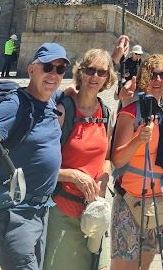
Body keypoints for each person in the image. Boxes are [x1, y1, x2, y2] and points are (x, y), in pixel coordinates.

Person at [0, 42, 69, 270]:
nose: (53, 74)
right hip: (13, 214)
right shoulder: (13, 106)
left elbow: (79, 86)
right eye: (47, 67)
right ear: (31, 70)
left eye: (60, 69)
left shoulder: (51, 100)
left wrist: (115, 59)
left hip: (40, 211)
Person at [43, 48, 116, 270]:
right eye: (90, 70)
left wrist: (103, 179)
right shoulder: (63, 111)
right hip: (63, 209)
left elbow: (107, 157)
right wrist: (72, 175)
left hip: (94, 211)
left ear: (107, 78)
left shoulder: (105, 113)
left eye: (101, 72)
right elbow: (40, 163)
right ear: (80, 73)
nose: (95, 77)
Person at [111, 52, 163, 270]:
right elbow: (117, 159)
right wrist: (138, 140)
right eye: (152, 74)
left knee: (145, 265)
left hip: (158, 203)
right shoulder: (131, 112)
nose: (158, 80)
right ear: (142, 78)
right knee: (124, 266)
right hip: (130, 201)